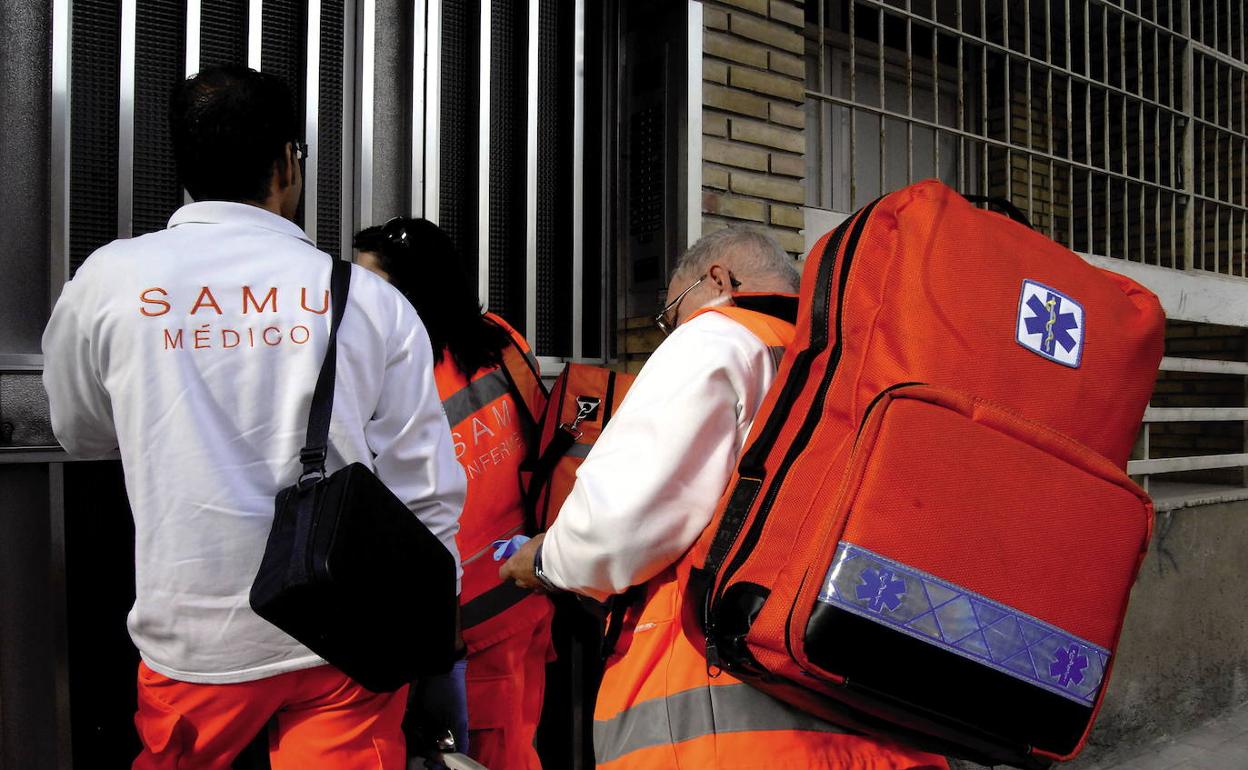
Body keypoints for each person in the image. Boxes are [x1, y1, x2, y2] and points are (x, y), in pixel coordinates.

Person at [42, 66, 465, 770]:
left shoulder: (107, 281)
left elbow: (81, 432)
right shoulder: (367, 297)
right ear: (286, 164)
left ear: (186, 166)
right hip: (344, 637)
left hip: (193, 636)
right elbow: (426, 486)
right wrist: (428, 623)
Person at [500, 228, 948, 769]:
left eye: (670, 314)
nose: (670, 331)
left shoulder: (721, 335)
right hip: (882, 725)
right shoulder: (859, 363)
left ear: (717, 281)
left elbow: (621, 523)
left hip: (731, 728)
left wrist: (549, 559)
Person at [355, 218, 552, 770]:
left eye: (373, 282)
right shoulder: (501, 338)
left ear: (410, 288)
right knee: (512, 745)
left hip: (458, 618)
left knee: (483, 755)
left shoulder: (396, 367)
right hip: (526, 585)